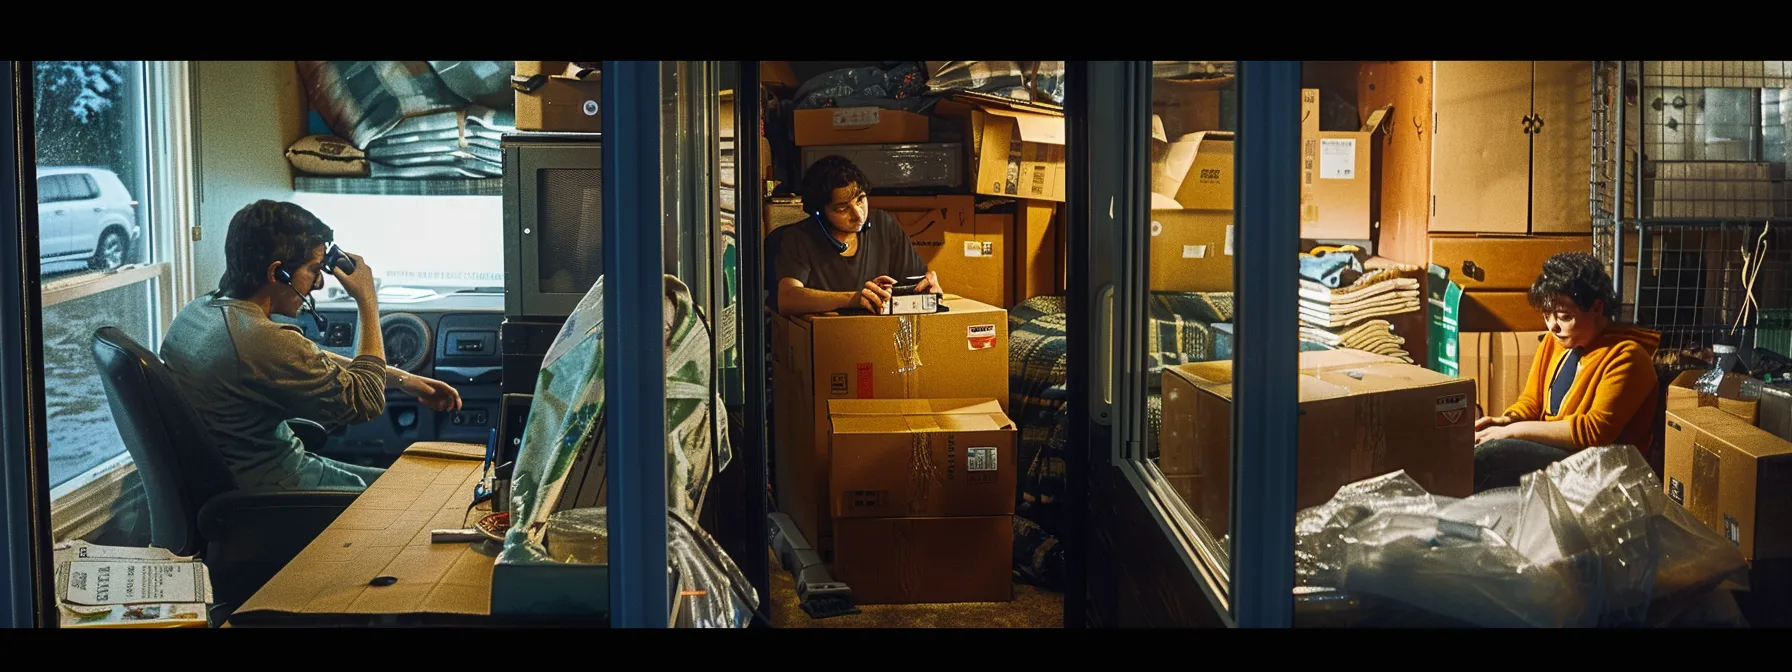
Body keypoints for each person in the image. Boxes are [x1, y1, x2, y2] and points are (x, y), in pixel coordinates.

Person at [160, 200, 463, 491]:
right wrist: (368, 301)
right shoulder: (262, 340)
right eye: (314, 270)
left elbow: (305, 357)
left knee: (411, 483)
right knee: (427, 493)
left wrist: (403, 379)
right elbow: (365, 401)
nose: (318, 284)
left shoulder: (200, 312)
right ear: (277, 273)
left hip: (257, 474)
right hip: (274, 496)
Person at [1472, 251, 1661, 492]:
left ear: (1597, 307)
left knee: (1493, 455)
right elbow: (1531, 401)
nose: (1553, 326)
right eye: (1546, 316)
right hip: (1561, 453)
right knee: (1480, 444)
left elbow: (1594, 432)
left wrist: (1511, 432)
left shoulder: (1626, 356)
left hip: (1601, 468)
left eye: (1564, 316)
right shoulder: (1554, 342)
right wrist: (1507, 420)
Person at [771, 155, 941, 315]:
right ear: (819, 213)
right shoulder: (798, 238)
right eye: (842, 208)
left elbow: (914, 279)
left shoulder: (883, 223)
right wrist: (854, 298)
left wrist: (927, 283)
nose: (858, 215)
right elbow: (787, 298)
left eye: (860, 200)